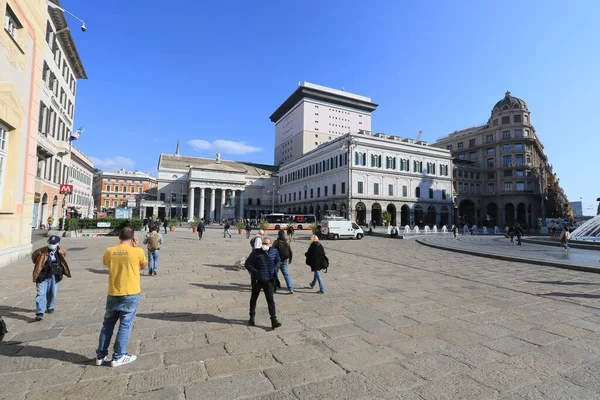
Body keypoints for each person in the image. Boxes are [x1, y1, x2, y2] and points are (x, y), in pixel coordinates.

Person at [96, 227, 147, 367]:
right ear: (133, 238)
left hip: (113, 292)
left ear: (119, 237)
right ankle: (118, 356)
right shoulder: (138, 251)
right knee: (125, 325)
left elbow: (106, 263)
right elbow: (143, 265)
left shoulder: (109, 251)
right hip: (131, 292)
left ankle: (100, 355)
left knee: (107, 325)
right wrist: (136, 248)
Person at [244, 237, 282, 329]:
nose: (265, 245)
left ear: (270, 244)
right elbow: (247, 264)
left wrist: (275, 270)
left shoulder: (274, 252)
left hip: (268, 280)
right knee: (253, 299)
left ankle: (274, 320)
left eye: (267, 243)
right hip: (257, 280)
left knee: (270, 300)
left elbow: (279, 261)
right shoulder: (256, 252)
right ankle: (251, 317)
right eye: (263, 243)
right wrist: (255, 272)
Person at [31, 235, 72, 321]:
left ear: (58, 243)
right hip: (42, 275)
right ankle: (40, 312)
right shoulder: (40, 251)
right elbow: (34, 258)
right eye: (50, 242)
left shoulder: (61, 250)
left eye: (54, 243)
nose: (52, 244)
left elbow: (63, 259)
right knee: (40, 293)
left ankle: (50, 306)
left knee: (52, 292)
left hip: (55, 274)